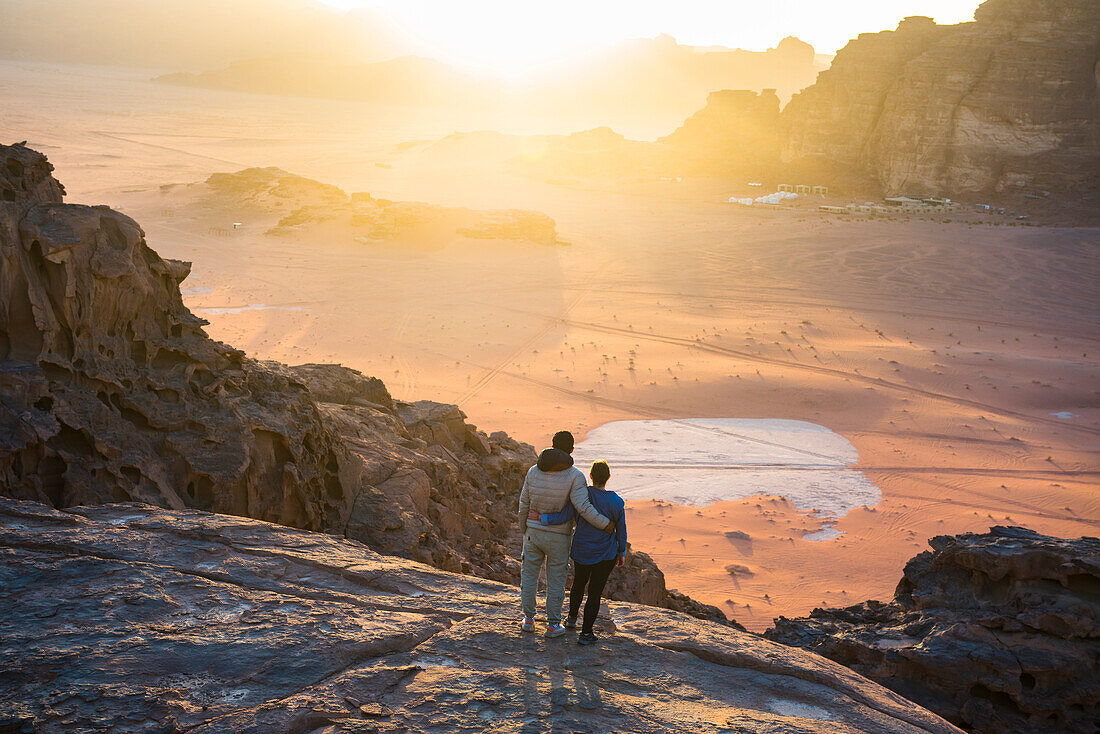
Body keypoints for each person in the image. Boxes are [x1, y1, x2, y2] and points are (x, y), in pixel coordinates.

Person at [517, 430, 615, 638]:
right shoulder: (575, 476)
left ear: (552, 445)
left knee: (529, 576)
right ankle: (553, 626)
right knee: (556, 581)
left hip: (533, 533)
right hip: (558, 537)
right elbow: (583, 507)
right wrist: (606, 524)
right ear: (571, 449)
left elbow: (523, 503)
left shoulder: (533, 471)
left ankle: (528, 620)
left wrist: (525, 529)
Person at [534, 460, 626, 645]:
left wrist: (542, 518)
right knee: (594, 592)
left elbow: (565, 515)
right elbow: (621, 530)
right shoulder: (616, 501)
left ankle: (571, 620)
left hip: (582, 549)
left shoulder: (581, 496)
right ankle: (586, 634)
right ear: (608, 477)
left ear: (590, 476)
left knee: (578, 584)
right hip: (605, 554)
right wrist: (621, 551)